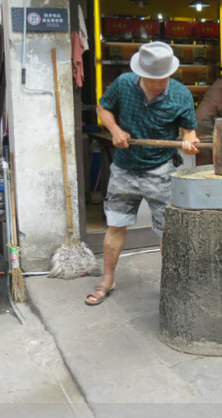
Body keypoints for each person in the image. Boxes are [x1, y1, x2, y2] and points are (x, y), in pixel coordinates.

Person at [86, 42, 199, 306]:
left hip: (161, 170)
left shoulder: (181, 95)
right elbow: (102, 109)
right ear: (141, 74)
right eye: (152, 79)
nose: (158, 84)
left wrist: (189, 141)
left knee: (167, 232)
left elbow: (189, 132)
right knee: (116, 223)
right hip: (124, 168)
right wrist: (114, 130)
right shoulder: (124, 84)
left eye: (163, 78)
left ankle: (171, 286)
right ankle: (107, 279)